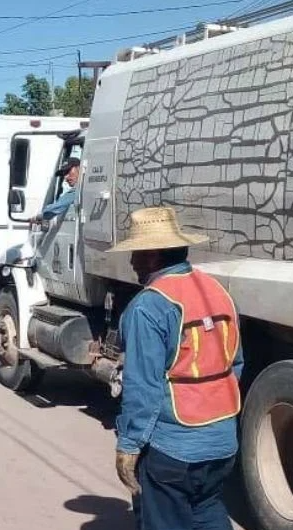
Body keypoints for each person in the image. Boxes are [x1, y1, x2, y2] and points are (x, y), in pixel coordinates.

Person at [106, 206, 243, 530]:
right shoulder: (217, 292)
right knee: (206, 510)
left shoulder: (149, 305)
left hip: (174, 450)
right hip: (223, 441)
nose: (132, 262)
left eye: (136, 254)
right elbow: (234, 364)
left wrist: (129, 445)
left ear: (152, 255)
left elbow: (143, 388)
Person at [29, 157, 81, 224]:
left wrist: (37, 217)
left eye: (68, 171)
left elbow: (58, 206)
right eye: (64, 174)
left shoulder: (78, 191)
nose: (65, 177)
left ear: (79, 168)